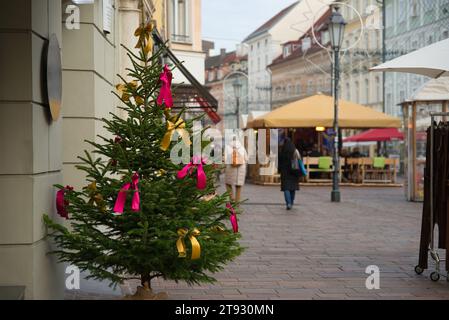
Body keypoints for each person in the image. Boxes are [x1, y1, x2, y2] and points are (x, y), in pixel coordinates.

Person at [278, 137, 301, 210]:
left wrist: (280, 170)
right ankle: (291, 201)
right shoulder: (294, 151)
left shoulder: (282, 152)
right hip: (294, 172)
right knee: (292, 188)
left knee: (286, 188)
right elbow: (299, 160)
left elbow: (279, 163)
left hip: (285, 173)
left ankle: (288, 203)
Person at [225, 137, 247, 203]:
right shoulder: (242, 147)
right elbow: (246, 158)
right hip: (241, 168)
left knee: (228, 184)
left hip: (230, 168)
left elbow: (226, 159)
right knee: (238, 186)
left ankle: (231, 198)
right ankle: (237, 202)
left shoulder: (227, 147)